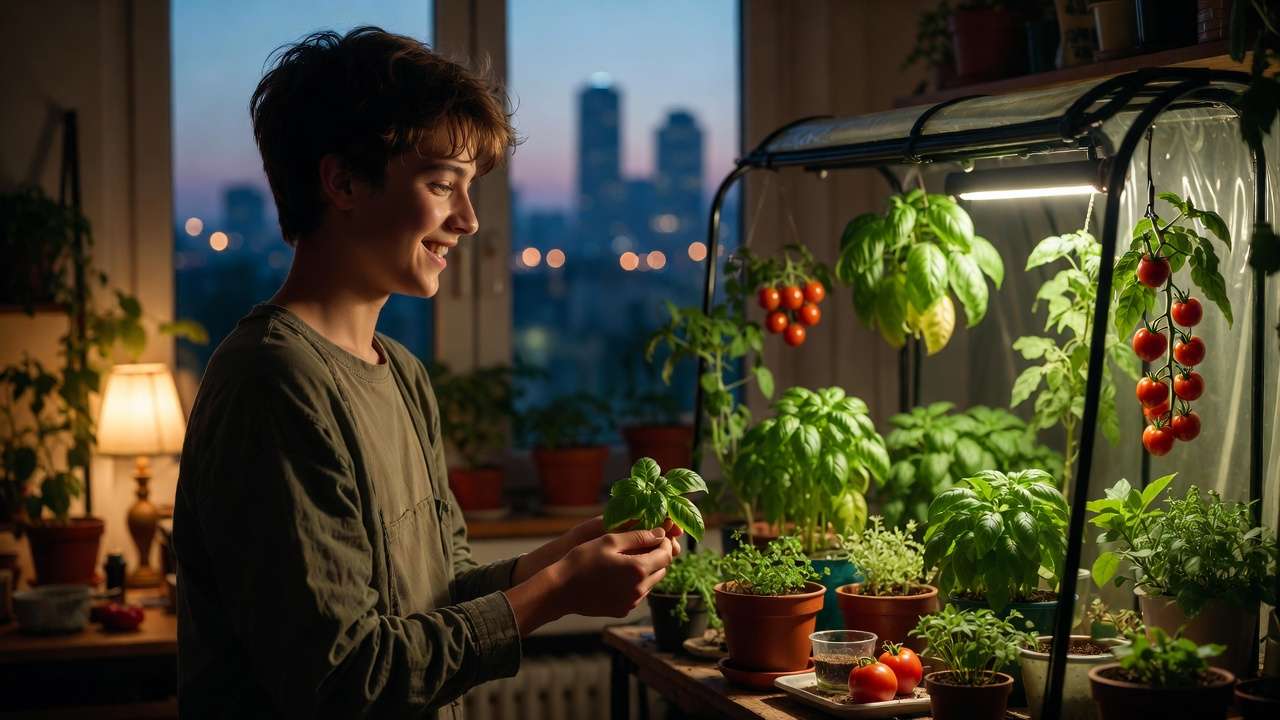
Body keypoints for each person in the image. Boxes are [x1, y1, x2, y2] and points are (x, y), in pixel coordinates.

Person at [172, 27, 680, 719]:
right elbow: (349, 679)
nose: (468, 221)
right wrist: (557, 590)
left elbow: (438, 594)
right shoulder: (273, 381)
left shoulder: (401, 373)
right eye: (443, 184)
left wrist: (558, 558)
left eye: (469, 189)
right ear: (343, 181)